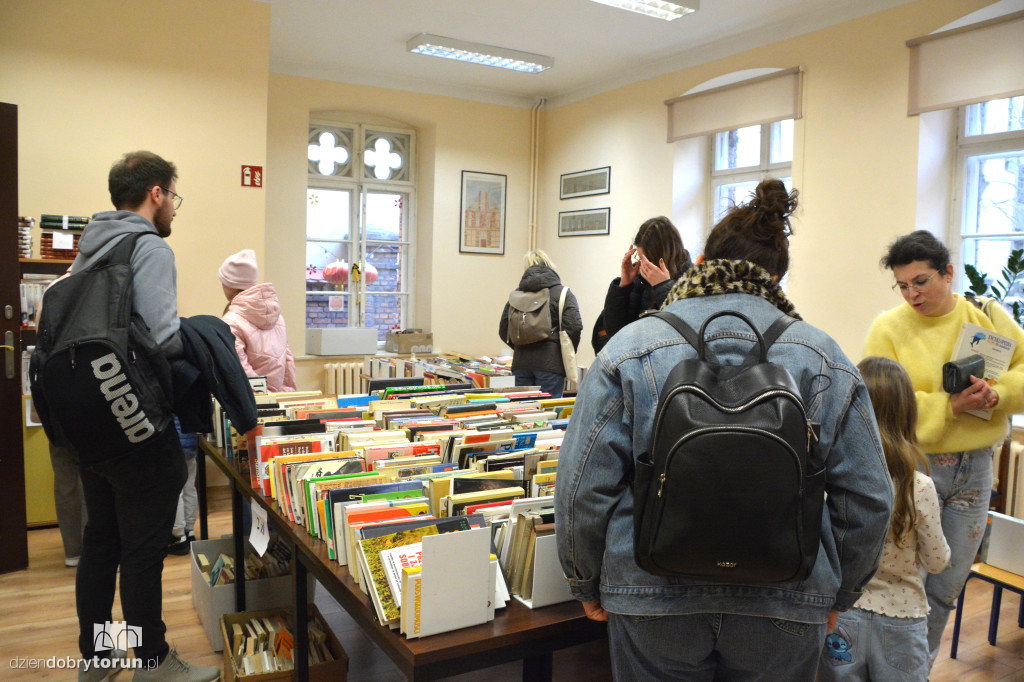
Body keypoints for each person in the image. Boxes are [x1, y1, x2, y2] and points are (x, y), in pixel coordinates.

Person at [556, 178, 892, 681]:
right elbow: (867, 496)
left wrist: (585, 580)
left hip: (650, 589)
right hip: (787, 594)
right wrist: (839, 591)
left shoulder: (630, 348)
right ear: (777, 275)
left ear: (708, 260)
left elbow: (583, 484)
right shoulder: (824, 357)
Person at [70, 151, 219, 682]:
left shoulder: (87, 249)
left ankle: (99, 657)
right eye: (173, 197)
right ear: (156, 192)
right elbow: (160, 337)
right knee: (142, 547)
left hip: (89, 422)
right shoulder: (147, 246)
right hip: (136, 422)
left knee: (101, 542)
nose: (173, 209)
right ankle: (153, 664)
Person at [863, 229, 1024, 662]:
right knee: (906, 584)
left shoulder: (986, 316)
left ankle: (918, 670)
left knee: (946, 589)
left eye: (921, 281)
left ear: (948, 273)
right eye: (903, 285)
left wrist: (1000, 394)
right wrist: (948, 407)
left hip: (975, 470)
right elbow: (882, 404)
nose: (912, 294)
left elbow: (1023, 370)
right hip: (915, 468)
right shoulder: (888, 327)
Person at [819, 356, 950, 681]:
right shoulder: (918, 487)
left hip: (843, 615)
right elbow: (936, 561)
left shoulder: (836, 480)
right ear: (908, 413)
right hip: (902, 622)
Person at [592, 216, 691, 354]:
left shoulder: (691, 278)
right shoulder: (639, 277)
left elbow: (686, 330)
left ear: (662, 256)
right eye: (639, 258)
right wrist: (624, 286)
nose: (643, 265)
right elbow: (614, 330)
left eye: (647, 259)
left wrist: (664, 286)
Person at [498, 249, 582, 398]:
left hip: (520, 363)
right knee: (548, 415)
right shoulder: (562, 293)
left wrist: (521, 343)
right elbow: (574, 327)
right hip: (551, 364)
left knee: (523, 413)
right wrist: (560, 348)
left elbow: (504, 330)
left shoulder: (517, 295)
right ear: (550, 265)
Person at [218, 249, 297, 393]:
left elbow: (239, 370)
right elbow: (288, 361)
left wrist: (262, 397)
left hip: (251, 403)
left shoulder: (230, 322)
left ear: (228, 284)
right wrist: (285, 395)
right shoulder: (277, 316)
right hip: (279, 400)